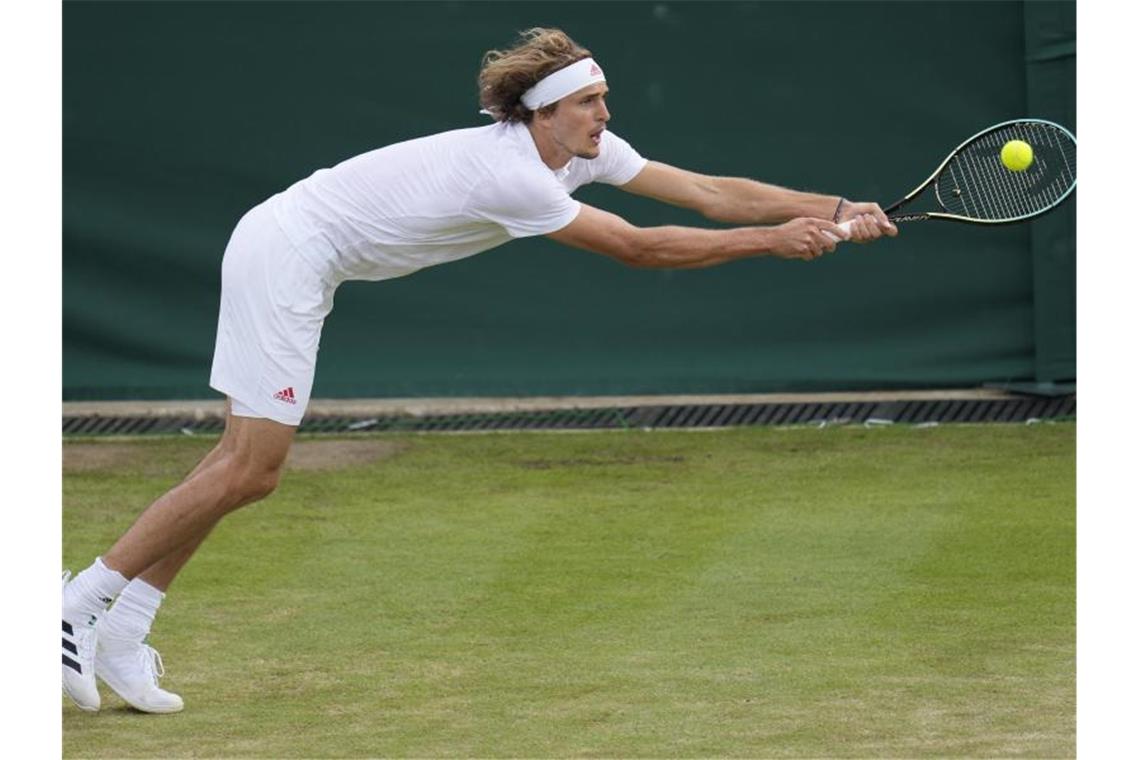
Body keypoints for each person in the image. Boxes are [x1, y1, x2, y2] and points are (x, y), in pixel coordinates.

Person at [62, 27, 897, 714]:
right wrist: (773, 241)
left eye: (603, 99)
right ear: (542, 115)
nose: (606, 113)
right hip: (288, 251)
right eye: (588, 103)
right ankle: (72, 607)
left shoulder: (579, 149)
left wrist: (827, 209)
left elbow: (712, 192)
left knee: (235, 469)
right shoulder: (513, 175)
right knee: (252, 468)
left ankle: (125, 628)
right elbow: (641, 248)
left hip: (302, 253)